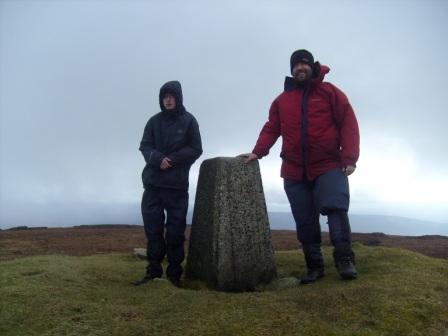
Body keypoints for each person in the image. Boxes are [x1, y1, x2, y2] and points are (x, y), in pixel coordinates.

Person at [240, 49, 360, 284]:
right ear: (291, 70)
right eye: (295, 66)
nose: (299, 68)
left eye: (304, 64)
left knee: (335, 208)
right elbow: (272, 128)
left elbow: (348, 123)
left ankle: (345, 260)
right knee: (305, 219)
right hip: (294, 169)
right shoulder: (282, 100)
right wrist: (257, 152)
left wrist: (349, 158)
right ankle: (314, 267)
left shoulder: (329, 93)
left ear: (312, 66)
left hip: (328, 164)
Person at [133, 80, 202, 287]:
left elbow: (196, 148)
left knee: (175, 233)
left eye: (172, 96)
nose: (168, 100)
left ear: (178, 98)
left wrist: (172, 160)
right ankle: (153, 272)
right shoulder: (153, 122)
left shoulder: (189, 121)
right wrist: (157, 159)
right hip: (153, 186)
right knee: (153, 232)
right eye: (165, 96)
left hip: (177, 187)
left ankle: (174, 276)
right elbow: (145, 146)